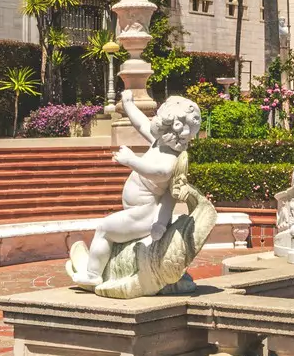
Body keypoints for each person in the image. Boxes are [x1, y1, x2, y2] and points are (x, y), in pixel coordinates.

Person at [67, 91, 202, 288]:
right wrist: (129, 104)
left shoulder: (170, 158)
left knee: (104, 229)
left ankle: (93, 273)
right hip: (137, 211)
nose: (154, 123)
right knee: (108, 229)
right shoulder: (159, 144)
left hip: (145, 214)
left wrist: (132, 161)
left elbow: (160, 173)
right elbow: (140, 123)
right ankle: (104, 267)